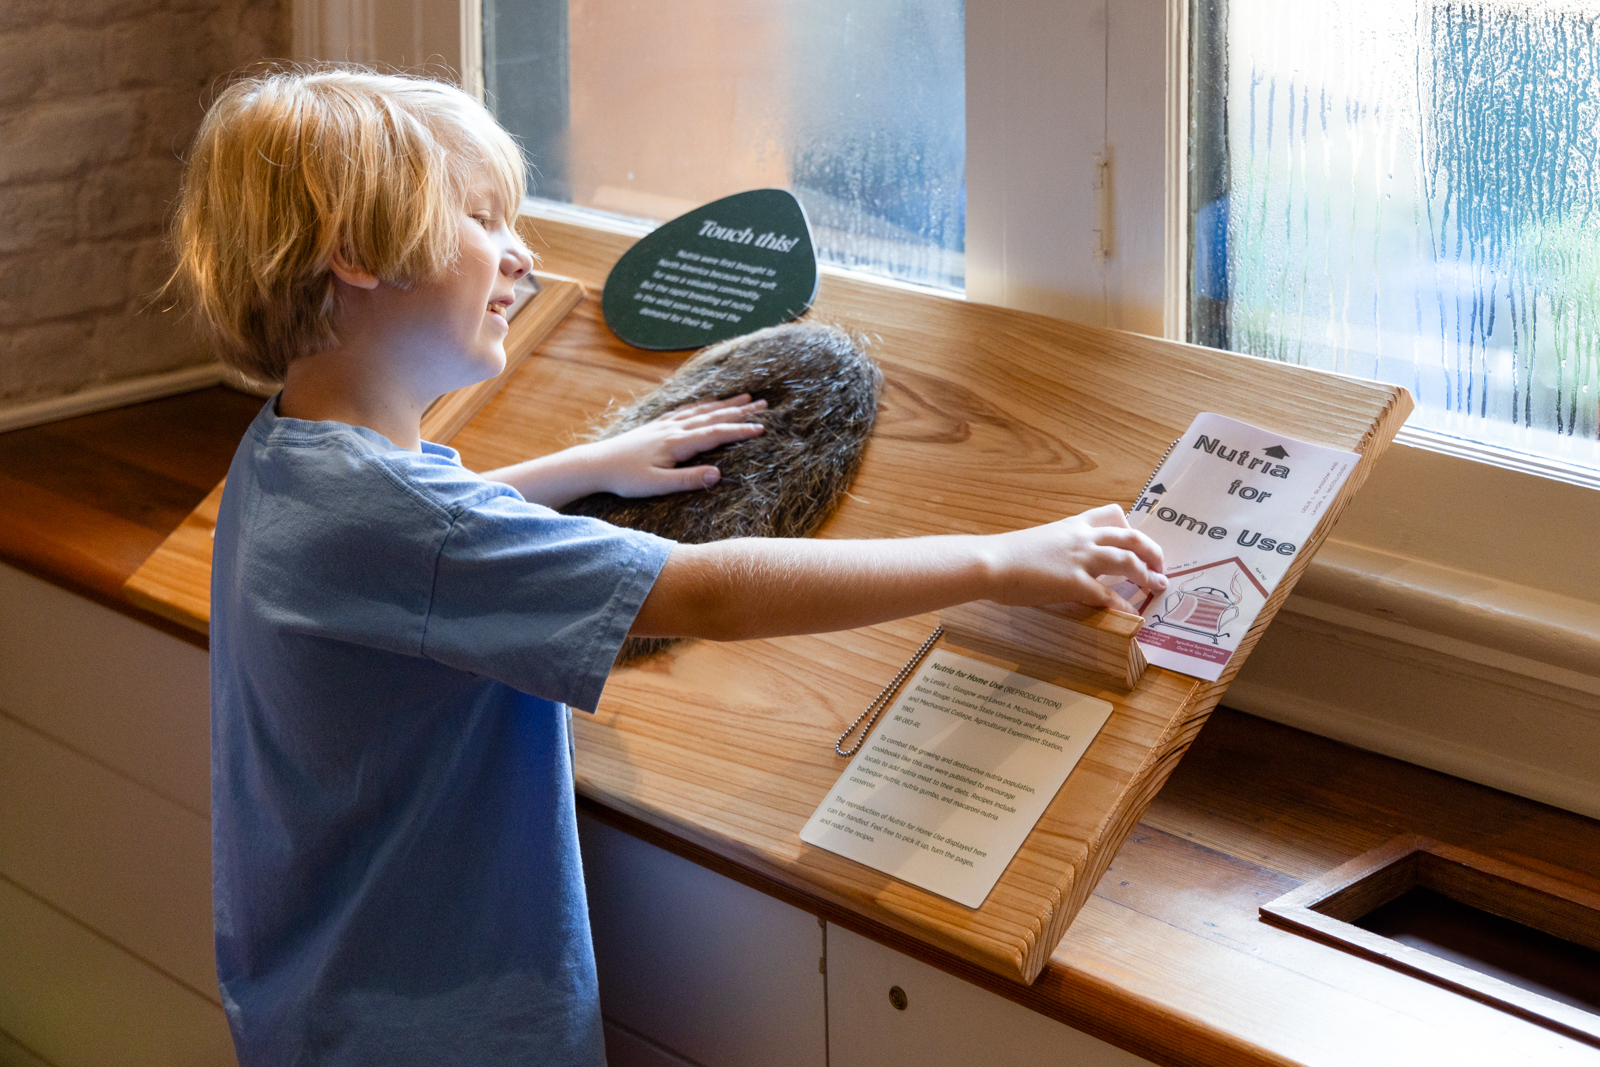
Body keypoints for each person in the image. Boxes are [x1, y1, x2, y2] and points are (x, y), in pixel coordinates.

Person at [172, 66, 1167, 1066]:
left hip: (315, 1004)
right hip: (445, 1028)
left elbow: (431, 533)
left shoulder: (288, 458)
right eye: (479, 219)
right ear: (354, 251)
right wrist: (1002, 558)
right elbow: (708, 589)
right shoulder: (406, 521)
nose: (521, 255)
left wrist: (588, 464)